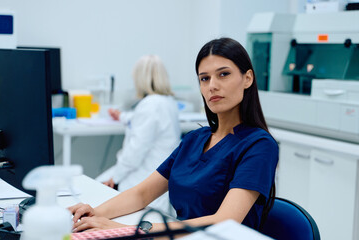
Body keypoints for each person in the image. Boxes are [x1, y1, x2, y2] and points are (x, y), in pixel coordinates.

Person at [69, 38, 279, 234]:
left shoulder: (259, 145)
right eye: (204, 78)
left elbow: (224, 221)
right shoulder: (195, 139)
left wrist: (129, 229)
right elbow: (141, 194)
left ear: (248, 78)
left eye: (223, 74)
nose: (212, 85)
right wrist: (95, 212)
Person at [96, 55, 181, 215]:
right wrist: (121, 116)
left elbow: (135, 152)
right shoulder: (167, 102)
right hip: (159, 176)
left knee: (95, 190)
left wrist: (115, 178)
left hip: (144, 178)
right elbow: (141, 122)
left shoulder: (150, 105)